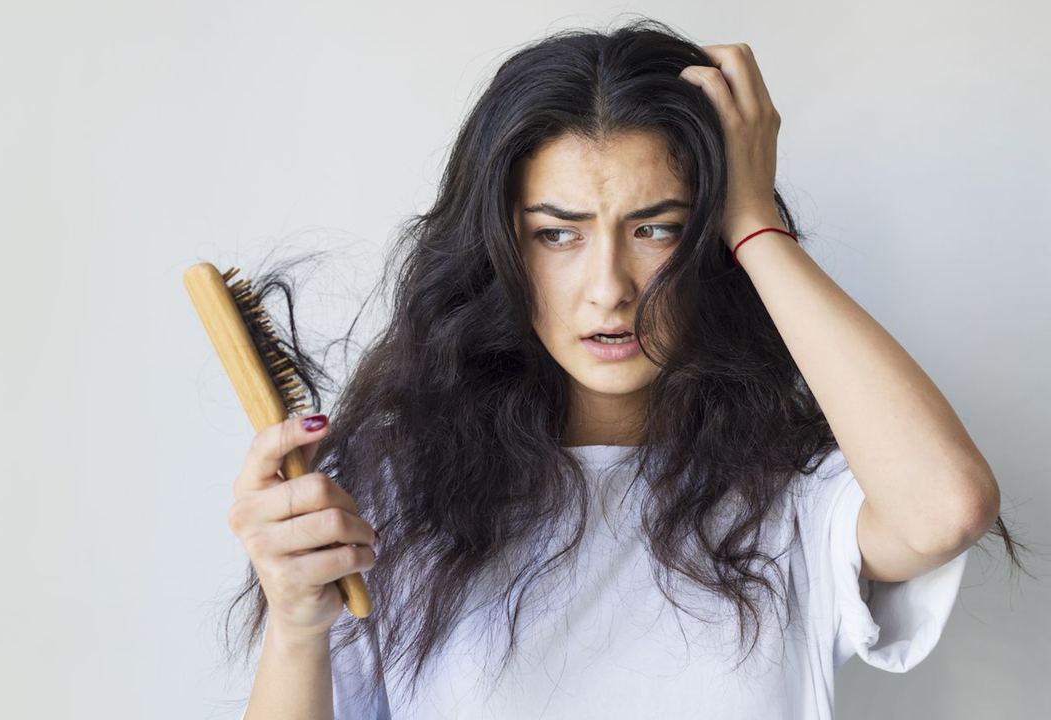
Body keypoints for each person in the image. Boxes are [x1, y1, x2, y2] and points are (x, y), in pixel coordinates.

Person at [218, 17, 1028, 720]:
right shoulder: (392, 494)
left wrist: (752, 220)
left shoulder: (794, 498)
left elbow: (946, 508)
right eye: (557, 233)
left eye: (656, 229)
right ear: (500, 250)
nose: (609, 288)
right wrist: (294, 622)